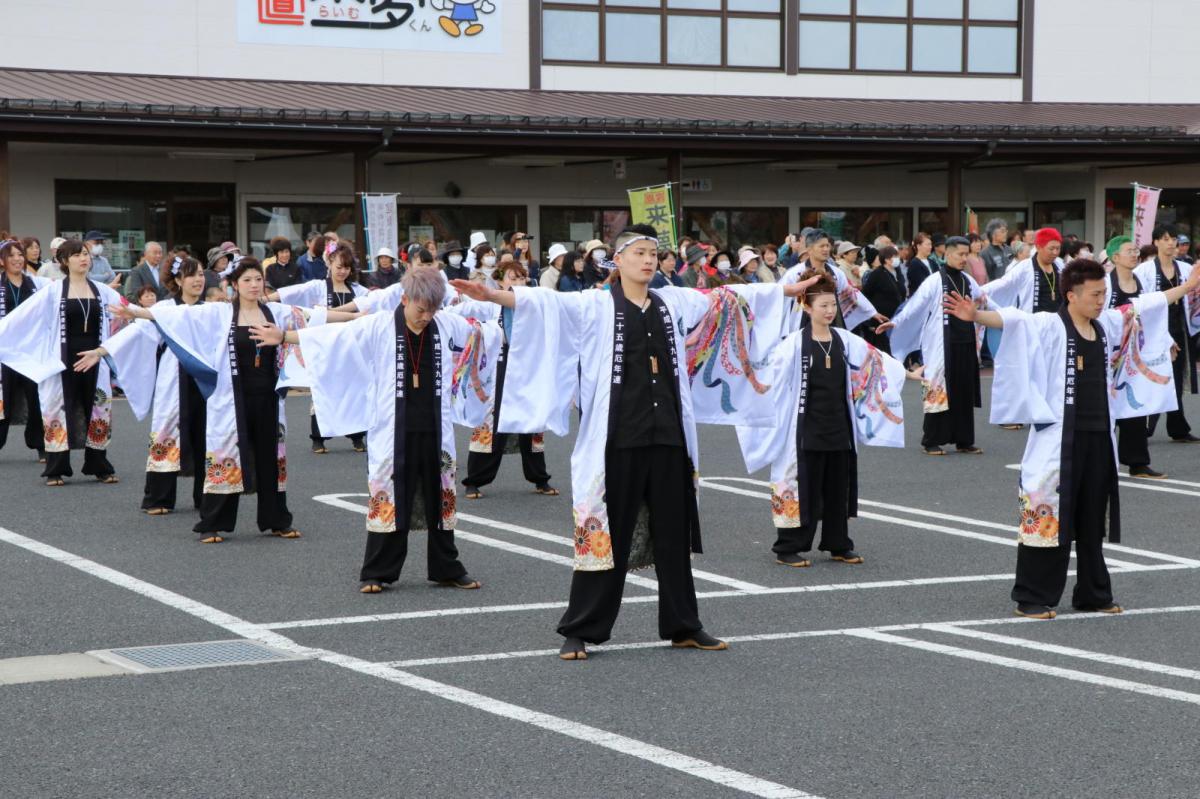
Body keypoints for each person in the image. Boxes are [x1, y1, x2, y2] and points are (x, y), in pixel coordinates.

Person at [451, 223, 809, 661]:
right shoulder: (595, 305)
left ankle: (684, 624)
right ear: (616, 260)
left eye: (652, 253)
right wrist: (493, 296)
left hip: (669, 438)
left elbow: (726, 298)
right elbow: (546, 304)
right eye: (638, 252)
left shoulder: (671, 301)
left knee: (673, 534)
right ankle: (581, 627)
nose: (647, 259)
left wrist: (786, 293)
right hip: (617, 437)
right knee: (606, 531)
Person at [945, 259, 1199, 619]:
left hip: (1099, 437)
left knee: (1093, 516)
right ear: (1071, 295)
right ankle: (1032, 595)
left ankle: (1093, 593)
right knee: (1046, 512)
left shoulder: (1108, 325)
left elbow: (1146, 304)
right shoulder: (1050, 324)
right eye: (1095, 294)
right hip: (1058, 439)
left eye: (1104, 293)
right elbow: (1015, 320)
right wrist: (977, 317)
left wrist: (1187, 287)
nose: (1101, 300)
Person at [280, 267, 501, 593]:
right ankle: (378, 571)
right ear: (405, 299)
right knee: (387, 494)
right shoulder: (380, 325)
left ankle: (446, 567)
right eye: (420, 309)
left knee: (441, 494)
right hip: (392, 428)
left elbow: (486, 333)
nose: (426, 316)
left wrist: (515, 314)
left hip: (436, 428)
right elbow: (334, 337)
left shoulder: (446, 324)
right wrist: (283, 337)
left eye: (433, 309)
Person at [112, 257, 350, 543]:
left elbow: (316, 316)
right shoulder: (220, 313)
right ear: (234, 284)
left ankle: (276, 519)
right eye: (247, 280)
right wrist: (137, 312)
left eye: (258, 279)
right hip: (230, 398)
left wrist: (358, 317)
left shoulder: (276, 311)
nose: (253, 285)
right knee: (225, 455)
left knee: (271, 457)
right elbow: (179, 317)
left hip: (269, 398)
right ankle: (213, 522)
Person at [737, 274, 921, 568]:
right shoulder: (792, 345)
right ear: (807, 308)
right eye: (822, 305)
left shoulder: (844, 339)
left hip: (838, 425)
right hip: (805, 427)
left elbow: (876, 360)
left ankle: (838, 543)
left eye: (831, 305)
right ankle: (788, 546)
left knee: (837, 486)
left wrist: (907, 373)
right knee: (801, 486)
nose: (829, 311)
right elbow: (767, 378)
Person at [77, 256, 209, 514]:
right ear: (179, 280)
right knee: (167, 432)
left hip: (206, 380)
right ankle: (160, 497)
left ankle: (206, 498)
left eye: (202, 274)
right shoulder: (164, 308)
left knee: (208, 434)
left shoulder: (211, 309)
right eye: (192, 275)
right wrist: (103, 350)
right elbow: (136, 332)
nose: (198, 280)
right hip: (173, 378)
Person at [0, 239, 122, 485]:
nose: (84, 259)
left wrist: (147, 314)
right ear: (65, 261)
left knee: (98, 408)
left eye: (85, 254)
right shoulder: (52, 292)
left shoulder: (103, 290)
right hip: (61, 360)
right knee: (57, 408)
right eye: (77, 255)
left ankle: (98, 464)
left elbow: (125, 312)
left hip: (95, 358)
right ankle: (56, 467)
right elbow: (21, 318)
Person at [879, 236, 986, 456]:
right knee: (937, 388)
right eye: (960, 254)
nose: (964, 259)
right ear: (947, 254)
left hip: (965, 341)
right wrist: (896, 321)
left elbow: (984, 297)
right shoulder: (935, 280)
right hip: (941, 344)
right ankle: (931, 440)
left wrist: (1007, 317)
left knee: (963, 389)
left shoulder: (967, 280)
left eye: (967, 255)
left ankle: (964, 440)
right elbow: (915, 304)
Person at [462, 262, 557, 499]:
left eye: (521, 278)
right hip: (499, 366)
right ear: (500, 281)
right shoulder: (489, 304)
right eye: (512, 279)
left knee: (533, 422)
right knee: (491, 423)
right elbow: (461, 312)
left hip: (528, 367)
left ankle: (539, 478)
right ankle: (474, 480)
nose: (517, 283)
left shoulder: (535, 304)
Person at [268, 242, 370, 454]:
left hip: (352, 347)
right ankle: (318, 437)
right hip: (325, 345)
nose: (342, 271)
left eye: (347, 267)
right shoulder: (318, 287)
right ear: (330, 263)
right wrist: (265, 298)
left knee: (355, 390)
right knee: (322, 389)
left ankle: (357, 436)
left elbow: (375, 303)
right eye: (339, 266)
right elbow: (292, 292)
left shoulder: (359, 290)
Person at [1102, 236, 1165, 479]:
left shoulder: (1142, 282)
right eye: (1129, 250)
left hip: (1135, 355)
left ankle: (1137, 462)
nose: (1134, 254)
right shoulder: (1106, 285)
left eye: (1135, 250)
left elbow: (1153, 312)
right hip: (1111, 356)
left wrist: (1167, 342)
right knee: (1107, 409)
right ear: (1115, 257)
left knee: (1136, 406)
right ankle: (1104, 460)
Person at [1135, 224, 1200, 443]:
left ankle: (1178, 427)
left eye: (1173, 238)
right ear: (1155, 242)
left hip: (1179, 328)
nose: (1171, 243)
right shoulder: (1143, 270)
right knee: (1155, 376)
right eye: (1165, 239)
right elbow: (1141, 303)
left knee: (1177, 377)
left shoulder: (1185, 268)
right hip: (1154, 330)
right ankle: (1144, 427)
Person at [781, 229, 884, 334]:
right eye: (821, 246)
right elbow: (780, 295)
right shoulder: (794, 273)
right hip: (803, 322)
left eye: (827, 246)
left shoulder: (837, 273)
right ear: (809, 249)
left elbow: (850, 293)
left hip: (831, 321)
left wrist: (871, 312)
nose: (826, 249)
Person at [0, 238, 47, 462]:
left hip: (30, 352)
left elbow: (62, 289)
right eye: (12, 256)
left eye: (20, 254)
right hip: (4, 353)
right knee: (3, 401)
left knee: (37, 397)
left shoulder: (36, 284)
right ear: (3, 261)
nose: (18, 259)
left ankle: (41, 444)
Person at [981, 227, 1065, 314]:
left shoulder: (1060, 265)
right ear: (1039, 247)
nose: (1055, 252)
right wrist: (978, 292)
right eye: (1051, 249)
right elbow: (1003, 283)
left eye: (1058, 248)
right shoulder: (1025, 267)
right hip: (1033, 320)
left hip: (1057, 320)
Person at [860, 245, 905, 354]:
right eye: (894, 257)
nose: (897, 260)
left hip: (896, 317)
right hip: (881, 318)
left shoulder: (898, 273)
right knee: (883, 349)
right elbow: (865, 293)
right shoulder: (877, 274)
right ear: (886, 260)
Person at [905, 232, 937, 296]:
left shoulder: (932, 262)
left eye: (931, 244)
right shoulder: (914, 263)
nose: (930, 247)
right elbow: (922, 284)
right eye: (927, 245)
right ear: (918, 246)